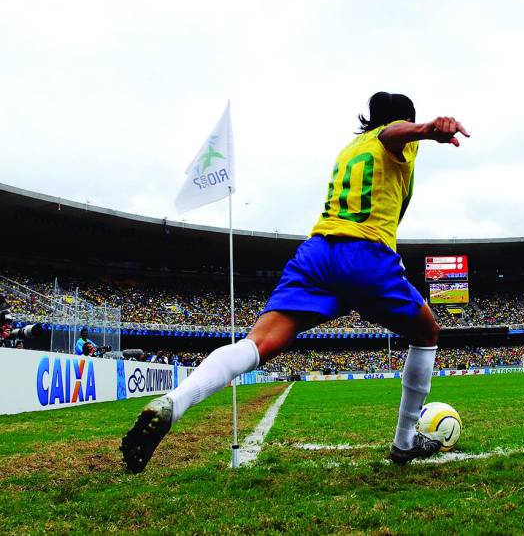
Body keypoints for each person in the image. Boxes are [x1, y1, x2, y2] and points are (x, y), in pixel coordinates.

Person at [121, 92, 469, 473]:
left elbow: (382, 135)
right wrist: (428, 129)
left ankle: (175, 401)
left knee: (258, 343)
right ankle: (404, 443)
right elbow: (394, 134)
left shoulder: (351, 147)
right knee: (427, 333)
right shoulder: (396, 137)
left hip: (317, 253)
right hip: (364, 253)